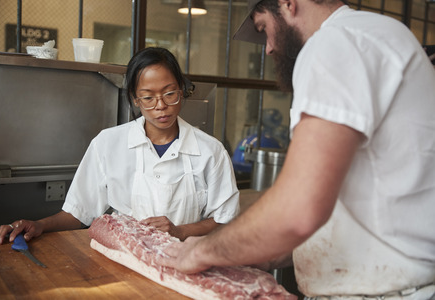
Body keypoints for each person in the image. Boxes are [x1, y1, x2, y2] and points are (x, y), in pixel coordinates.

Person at [157, 0, 435, 298]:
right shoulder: (381, 33)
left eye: (264, 28)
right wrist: (259, 247)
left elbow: (298, 211)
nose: (268, 48)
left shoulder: (333, 43)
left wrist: (202, 251)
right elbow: (358, 204)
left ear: (288, 4)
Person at [0, 47, 239, 245]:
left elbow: (224, 220)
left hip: (185, 262)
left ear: (182, 90)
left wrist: (180, 231)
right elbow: (79, 212)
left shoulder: (210, 151)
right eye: (148, 97)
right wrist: (39, 225)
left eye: (169, 94)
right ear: (135, 99)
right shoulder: (108, 143)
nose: (160, 105)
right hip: (123, 260)